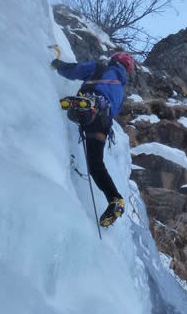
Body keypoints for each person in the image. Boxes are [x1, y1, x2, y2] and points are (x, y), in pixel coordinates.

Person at [51, 51, 135, 227]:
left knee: (77, 110)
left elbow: (75, 70)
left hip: (94, 107)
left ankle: (86, 104)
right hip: (103, 125)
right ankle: (115, 199)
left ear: (113, 61)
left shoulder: (100, 68)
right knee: (96, 166)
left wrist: (57, 64)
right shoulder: (120, 88)